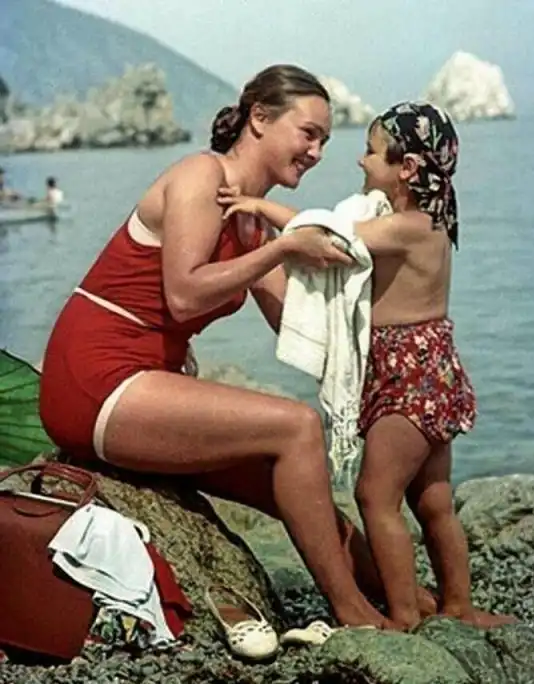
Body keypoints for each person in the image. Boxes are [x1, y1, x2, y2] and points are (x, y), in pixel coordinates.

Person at [39, 64, 408, 630]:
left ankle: (409, 597)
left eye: (325, 142)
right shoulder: (201, 176)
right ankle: (352, 612)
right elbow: (184, 294)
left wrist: (390, 369)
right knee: (296, 427)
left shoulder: (252, 221)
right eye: (308, 134)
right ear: (259, 118)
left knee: (287, 480)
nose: (316, 153)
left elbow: (301, 330)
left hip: (144, 380)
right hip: (95, 377)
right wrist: (283, 250)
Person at [217, 102, 515, 630]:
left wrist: (259, 208)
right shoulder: (426, 222)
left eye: (372, 152)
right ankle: (458, 606)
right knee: (433, 501)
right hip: (431, 370)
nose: (361, 161)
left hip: (408, 375)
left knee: (375, 497)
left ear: (407, 168)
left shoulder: (408, 227)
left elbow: (329, 234)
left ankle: (403, 615)